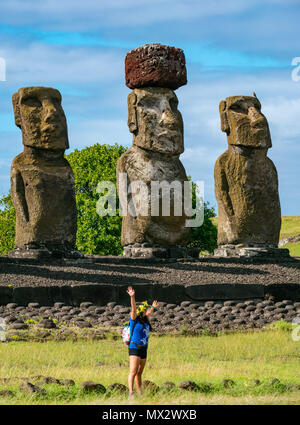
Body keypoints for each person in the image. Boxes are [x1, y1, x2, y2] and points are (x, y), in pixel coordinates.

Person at [126, 286, 158, 398]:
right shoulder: (134, 319)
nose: (146, 310)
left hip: (144, 349)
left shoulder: (145, 319)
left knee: (139, 373)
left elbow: (149, 312)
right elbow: (134, 308)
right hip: (134, 347)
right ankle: (131, 393)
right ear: (141, 311)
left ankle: (140, 393)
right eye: (145, 309)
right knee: (133, 372)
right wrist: (132, 297)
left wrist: (153, 307)